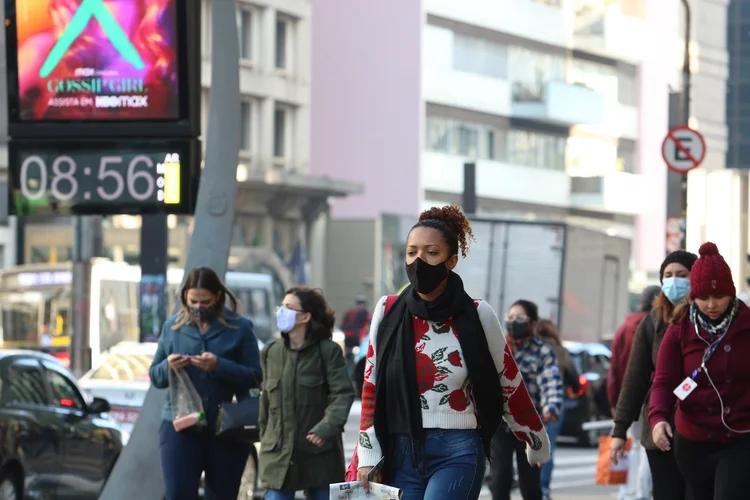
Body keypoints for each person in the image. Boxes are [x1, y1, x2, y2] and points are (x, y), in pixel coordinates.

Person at [356, 205, 551, 500]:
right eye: (411, 253)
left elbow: (507, 379)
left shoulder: (478, 313)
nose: (419, 261)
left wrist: (534, 438)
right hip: (401, 450)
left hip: (458, 450)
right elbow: (372, 386)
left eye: (431, 253)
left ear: (451, 261)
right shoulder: (387, 310)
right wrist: (368, 454)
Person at [148, 267, 261, 500]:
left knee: (222, 494)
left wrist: (219, 366)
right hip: (181, 424)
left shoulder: (240, 327)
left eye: (205, 301)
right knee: (179, 493)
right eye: (193, 301)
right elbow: (155, 377)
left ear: (218, 297)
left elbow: (254, 375)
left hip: (226, 425)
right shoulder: (173, 328)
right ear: (185, 299)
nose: (199, 307)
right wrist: (168, 366)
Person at [650, 242, 750, 499]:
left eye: (719, 296)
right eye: (704, 298)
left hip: (738, 436)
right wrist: (659, 418)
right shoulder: (680, 328)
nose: (712, 305)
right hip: (692, 438)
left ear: (732, 293)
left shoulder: (746, 325)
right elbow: (663, 380)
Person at [610, 250, 696, 500]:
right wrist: (619, 431)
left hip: (701, 427)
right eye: (668, 275)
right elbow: (634, 380)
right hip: (660, 427)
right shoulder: (652, 323)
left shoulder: (706, 319)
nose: (674, 281)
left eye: (682, 275)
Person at [259, 286, 355, 500]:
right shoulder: (270, 352)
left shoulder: (327, 352)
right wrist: (266, 438)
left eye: (288, 307)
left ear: (305, 317)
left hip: (319, 453)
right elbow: (265, 403)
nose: (281, 311)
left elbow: (342, 394)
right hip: (278, 453)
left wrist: (326, 428)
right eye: (281, 306)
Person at [491, 301, 563, 500]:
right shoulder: (497, 347)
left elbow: (550, 381)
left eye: (520, 318)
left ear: (532, 323)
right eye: (510, 317)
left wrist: (551, 408)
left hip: (530, 425)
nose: (514, 322)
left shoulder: (542, 351)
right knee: (499, 479)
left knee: (530, 483)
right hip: (501, 424)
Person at [607, 285, 661, 500]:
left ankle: (628, 493)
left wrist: (615, 403)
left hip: (627, 397)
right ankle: (641, 492)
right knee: (647, 446)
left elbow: (614, 370)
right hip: (652, 396)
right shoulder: (656, 325)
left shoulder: (624, 328)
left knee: (632, 447)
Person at [535, 319, 579, 500]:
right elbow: (574, 378)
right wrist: (574, 389)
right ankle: (543, 490)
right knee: (548, 449)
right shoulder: (560, 351)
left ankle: (529, 485)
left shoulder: (530, 348)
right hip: (553, 405)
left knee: (527, 447)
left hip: (530, 403)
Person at [340, 295, 372, 375]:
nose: (360, 306)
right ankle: (351, 375)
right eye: (359, 303)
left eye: (362, 303)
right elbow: (343, 325)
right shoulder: (350, 313)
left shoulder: (366, 315)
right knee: (349, 359)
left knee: (359, 360)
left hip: (361, 341)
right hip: (350, 340)